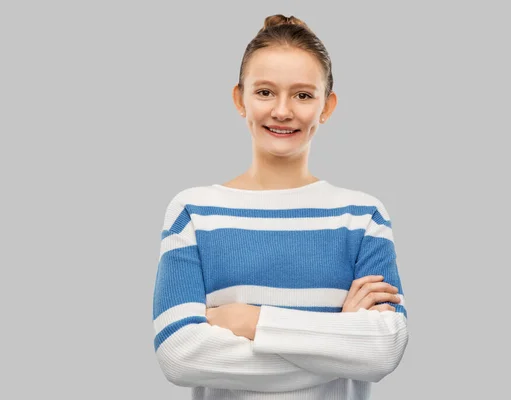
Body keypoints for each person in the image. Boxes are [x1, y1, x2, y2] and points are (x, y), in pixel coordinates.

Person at [152, 14, 409, 400]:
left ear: (327, 106)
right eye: (265, 92)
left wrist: (250, 320)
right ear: (240, 99)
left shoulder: (362, 216)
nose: (283, 111)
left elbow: (383, 350)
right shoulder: (194, 211)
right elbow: (179, 356)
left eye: (303, 95)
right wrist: (339, 337)